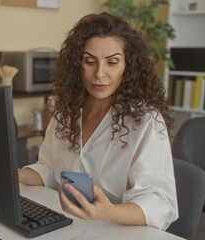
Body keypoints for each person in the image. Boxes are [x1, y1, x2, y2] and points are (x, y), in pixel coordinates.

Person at [18, 12, 178, 231]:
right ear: (78, 65)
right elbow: (48, 169)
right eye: (90, 61)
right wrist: (10, 174)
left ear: (127, 67)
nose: (99, 74)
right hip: (69, 226)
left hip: (118, 231)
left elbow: (160, 203)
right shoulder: (66, 114)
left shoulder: (145, 122)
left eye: (112, 62)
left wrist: (108, 211)